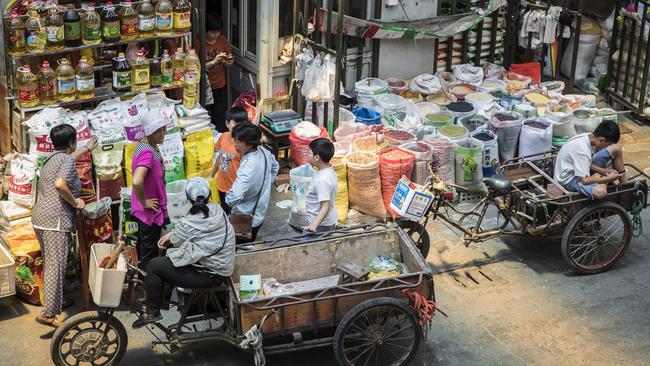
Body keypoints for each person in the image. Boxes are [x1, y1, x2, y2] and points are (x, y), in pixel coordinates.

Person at [133, 177, 236, 328]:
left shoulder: (188, 222)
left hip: (210, 274)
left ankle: (152, 311)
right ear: (209, 196)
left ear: (188, 198)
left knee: (154, 265)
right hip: (221, 266)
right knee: (166, 256)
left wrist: (171, 235)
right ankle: (162, 298)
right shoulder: (218, 210)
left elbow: (177, 242)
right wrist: (172, 235)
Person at [31, 124, 97, 327]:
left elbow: (68, 159)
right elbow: (60, 184)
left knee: (52, 262)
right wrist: (75, 202)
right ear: (71, 142)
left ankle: (56, 300)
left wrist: (86, 148)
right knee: (55, 266)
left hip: (40, 218)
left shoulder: (52, 159)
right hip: (55, 220)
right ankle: (49, 313)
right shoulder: (66, 160)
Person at [226, 123, 279, 242]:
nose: (235, 144)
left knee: (241, 245)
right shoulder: (264, 152)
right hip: (260, 212)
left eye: (239, 142)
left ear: (249, 144)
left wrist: (227, 199)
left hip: (246, 216)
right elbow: (275, 166)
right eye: (235, 140)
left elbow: (234, 196)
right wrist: (266, 185)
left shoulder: (248, 168)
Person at [131, 110, 169, 270]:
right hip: (149, 212)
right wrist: (144, 202)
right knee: (149, 252)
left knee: (145, 247)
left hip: (145, 209)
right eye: (156, 131)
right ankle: (148, 286)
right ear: (148, 132)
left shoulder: (145, 145)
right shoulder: (147, 152)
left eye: (163, 129)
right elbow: (137, 181)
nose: (162, 133)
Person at [554, 121, 626, 200]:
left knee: (616, 149)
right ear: (602, 140)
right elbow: (584, 181)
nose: (607, 147)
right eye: (608, 144)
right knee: (600, 192)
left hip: (581, 167)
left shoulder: (588, 136)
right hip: (570, 179)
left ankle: (625, 186)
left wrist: (604, 171)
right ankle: (601, 179)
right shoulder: (582, 150)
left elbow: (587, 162)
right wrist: (608, 179)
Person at [209, 107, 249, 214]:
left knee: (237, 216)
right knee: (224, 213)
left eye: (242, 123)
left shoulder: (244, 144)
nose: (239, 127)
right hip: (221, 185)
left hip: (236, 189)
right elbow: (220, 156)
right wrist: (212, 174)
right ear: (227, 123)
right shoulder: (223, 137)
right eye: (235, 123)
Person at [204, 14, 233, 133]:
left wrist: (227, 61)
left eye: (218, 31)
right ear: (206, 31)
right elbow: (198, 67)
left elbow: (230, 59)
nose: (216, 35)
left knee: (220, 116)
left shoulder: (222, 40)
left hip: (220, 85)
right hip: (205, 86)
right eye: (212, 32)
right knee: (206, 116)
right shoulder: (198, 41)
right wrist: (214, 62)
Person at [303, 138, 338, 234]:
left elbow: (325, 206)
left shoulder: (322, 180)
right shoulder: (328, 169)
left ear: (317, 157)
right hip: (324, 221)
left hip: (320, 225)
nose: (307, 156)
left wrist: (313, 226)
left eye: (309, 153)